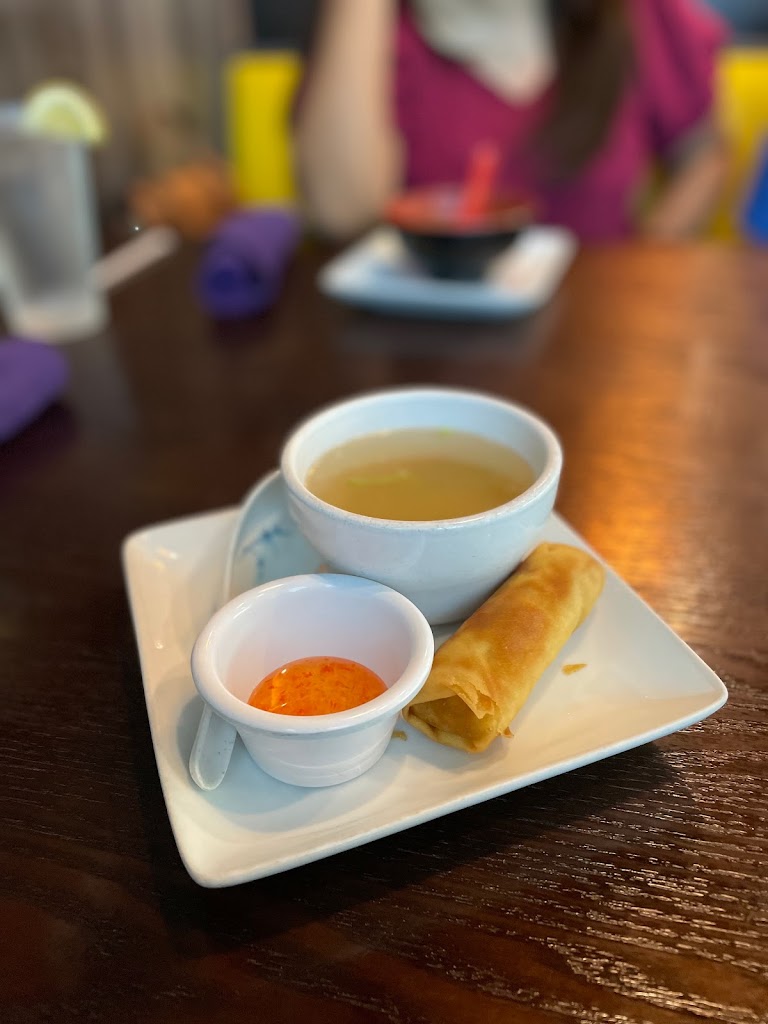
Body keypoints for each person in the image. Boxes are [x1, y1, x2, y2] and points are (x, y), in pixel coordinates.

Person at [294, 0, 729, 241]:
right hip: (417, 346)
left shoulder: (636, 15)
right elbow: (342, 213)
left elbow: (704, 152)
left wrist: (646, 259)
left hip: (601, 338)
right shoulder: (382, 31)